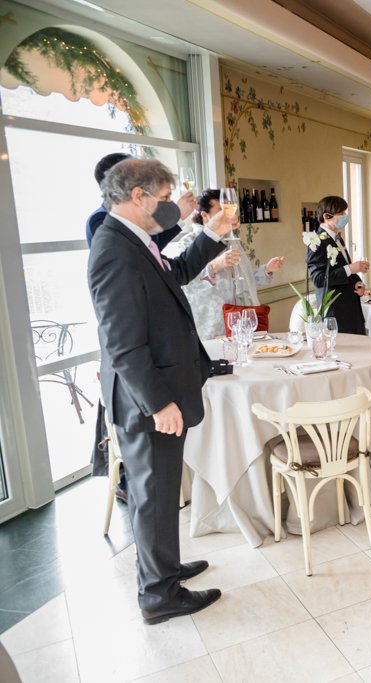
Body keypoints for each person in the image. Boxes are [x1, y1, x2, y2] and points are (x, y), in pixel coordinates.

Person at [87, 159, 229, 623]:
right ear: (138, 196)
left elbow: (175, 276)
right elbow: (123, 344)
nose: (171, 206)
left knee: (164, 488)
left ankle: (164, 567)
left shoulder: (136, 240)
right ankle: (157, 594)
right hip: (147, 397)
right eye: (165, 198)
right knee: (152, 492)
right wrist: (160, 403)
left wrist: (212, 233)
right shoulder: (112, 249)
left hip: (159, 387)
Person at [181, 189, 285, 338]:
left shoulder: (231, 242)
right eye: (220, 211)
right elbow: (185, 284)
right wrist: (215, 266)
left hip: (240, 324)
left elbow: (245, 281)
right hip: (211, 326)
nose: (226, 215)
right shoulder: (188, 242)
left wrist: (266, 270)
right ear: (205, 216)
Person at [86, 152, 194, 248]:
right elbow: (146, 248)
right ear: (116, 179)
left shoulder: (138, 211)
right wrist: (177, 216)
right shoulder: (99, 220)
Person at [306, 196, 369, 334]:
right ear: (327, 216)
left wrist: (357, 282)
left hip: (351, 309)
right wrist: (350, 268)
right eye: (341, 214)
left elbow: (341, 270)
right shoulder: (316, 242)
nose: (345, 216)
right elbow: (319, 279)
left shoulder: (337, 238)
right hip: (336, 313)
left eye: (345, 213)